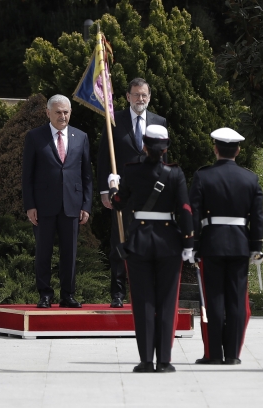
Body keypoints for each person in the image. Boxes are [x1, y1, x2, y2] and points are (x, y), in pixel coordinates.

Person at [108, 125, 193, 373]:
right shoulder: (175, 174)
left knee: (143, 302)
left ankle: (146, 360)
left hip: (139, 241)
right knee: (167, 302)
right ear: (166, 148)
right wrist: (188, 243)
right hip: (169, 241)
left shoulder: (131, 171)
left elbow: (119, 203)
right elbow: (185, 210)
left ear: (144, 145)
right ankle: (164, 361)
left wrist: (114, 186)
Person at [188, 128, 263, 365]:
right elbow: (258, 217)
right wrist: (256, 246)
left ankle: (213, 354)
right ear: (238, 151)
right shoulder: (250, 178)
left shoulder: (203, 176)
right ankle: (232, 354)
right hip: (240, 245)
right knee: (236, 300)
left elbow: (194, 214)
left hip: (212, 244)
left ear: (215, 149)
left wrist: (192, 244)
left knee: (214, 299)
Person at [97, 78, 168, 308]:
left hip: (151, 197)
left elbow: (164, 161)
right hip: (123, 194)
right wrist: (104, 190)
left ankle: (144, 293)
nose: (141, 99)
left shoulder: (159, 122)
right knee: (120, 243)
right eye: (136, 95)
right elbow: (103, 158)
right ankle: (117, 294)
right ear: (128, 96)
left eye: (144, 95)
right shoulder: (114, 121)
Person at [22, 94, 93, 308]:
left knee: (69, 253)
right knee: (43, 251)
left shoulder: (81, 137)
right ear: (48, 113)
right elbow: (27, 175)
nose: (62, 116)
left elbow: (87, 175)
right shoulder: (35, 137)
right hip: (43, 206)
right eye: (58, 112)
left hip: (72, 204)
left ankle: (68, 295)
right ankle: (45, 294)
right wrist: (30, 205)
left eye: (66, 112)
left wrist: (86, 205)